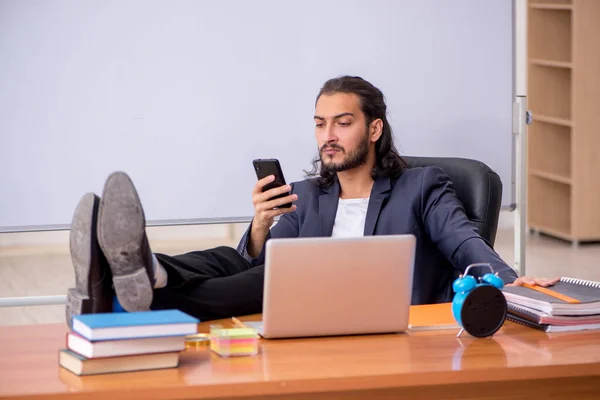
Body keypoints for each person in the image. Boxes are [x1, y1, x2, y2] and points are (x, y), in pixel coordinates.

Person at [65, 76, 558, 326]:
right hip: (308, 310)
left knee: (268, 278)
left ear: (374, 128)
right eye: (320, 124)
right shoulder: (306, 194)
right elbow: (247, 267)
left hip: (376, 320)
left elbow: (464, 241)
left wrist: (512, 281)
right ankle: (146, 271)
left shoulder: (423, 185)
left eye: (342, 123)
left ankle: (114, 291)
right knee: (243, 260)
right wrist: (259, 227)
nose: (328, 136)